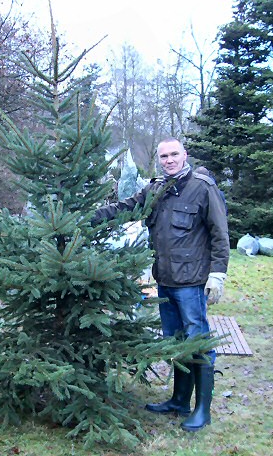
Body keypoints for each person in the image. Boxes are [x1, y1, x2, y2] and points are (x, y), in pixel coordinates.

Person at [92, 138, 229, 432]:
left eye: (174, 154)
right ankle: (179, 401)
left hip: (191, 282)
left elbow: (220, 234)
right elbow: (127, 206)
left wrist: (218, 274)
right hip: (164, 280)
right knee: (176, 341)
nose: (169, 160)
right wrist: (89, 217)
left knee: (198, 342)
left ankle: (202, 410)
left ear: (184, 155)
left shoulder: (202, 188)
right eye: (164, 156)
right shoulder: (156, 189)